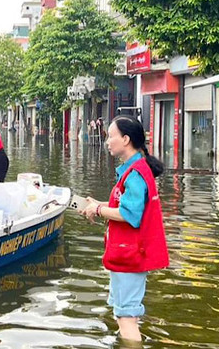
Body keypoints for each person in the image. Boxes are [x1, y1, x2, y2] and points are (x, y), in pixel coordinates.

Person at [79, 115, 169, 343]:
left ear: (126, 139)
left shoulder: (136, 173)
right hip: (129, 253)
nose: (107, 141)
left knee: (125, 316)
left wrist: (98, 211)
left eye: (111, 136)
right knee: (127, 314)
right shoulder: (136, 169)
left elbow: (130, 215)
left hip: (130, 255)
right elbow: (125, 206)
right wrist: (97, 205)